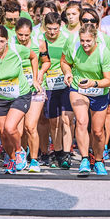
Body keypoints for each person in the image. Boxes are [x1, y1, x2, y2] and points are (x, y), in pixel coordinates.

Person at [0, 25, 41, 174]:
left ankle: (19, 152)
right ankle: (11, 160)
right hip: (0, 96)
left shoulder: (17, 49)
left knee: (11, 127)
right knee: (4, 132)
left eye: (2, 41)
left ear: (7, 41)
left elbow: (34, 57)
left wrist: (35, 79)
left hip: (20, 94)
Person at [61, 23, 110, 176]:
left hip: (99, 90)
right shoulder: (74, 46)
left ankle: (98, 160)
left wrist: (94, 83)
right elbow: (65, 62)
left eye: (88, 41)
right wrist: (67, 73)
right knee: (81, 121)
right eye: (82, 40)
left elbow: (109, 80)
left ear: (95, 39)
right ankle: (84, 159)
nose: (85, 44)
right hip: (78, 88)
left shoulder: (103, 52)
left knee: (98, 131)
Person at [12, 18, 50, 172]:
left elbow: (46, 61)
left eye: (26, 35)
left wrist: (40, 73)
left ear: (31, 33)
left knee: (30, 126)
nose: (23, 38)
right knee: (18, 130)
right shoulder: (10, 43)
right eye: (20, 34)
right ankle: (21, 154)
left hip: (35, 88)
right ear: (15, 32)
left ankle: (34, 160)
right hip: (17, 89)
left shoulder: (39, 43)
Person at [42, 12, 73, 169]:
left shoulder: (67, 37)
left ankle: (66, 154)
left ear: (60, 26)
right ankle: (57, 150)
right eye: (49, 29)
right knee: (54, 122)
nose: (52, 32)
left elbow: (72, 59)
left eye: (55, 29)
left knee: (66, 120)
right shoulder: (41, 39)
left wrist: (69, 72)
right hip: (49, 84)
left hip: (66, 83)